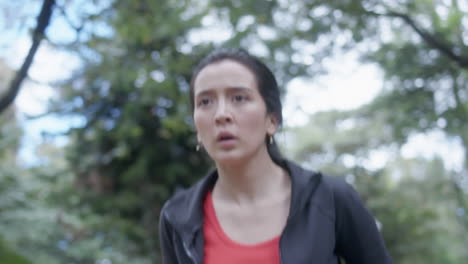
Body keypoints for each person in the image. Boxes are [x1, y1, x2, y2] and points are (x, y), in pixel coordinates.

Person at [159, 48, 393, 264]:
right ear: (197, 128)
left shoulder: (329, 199)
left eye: (239, 98)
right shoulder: (177, 217)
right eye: (205, 102)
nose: (221, 115)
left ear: (272, 120)